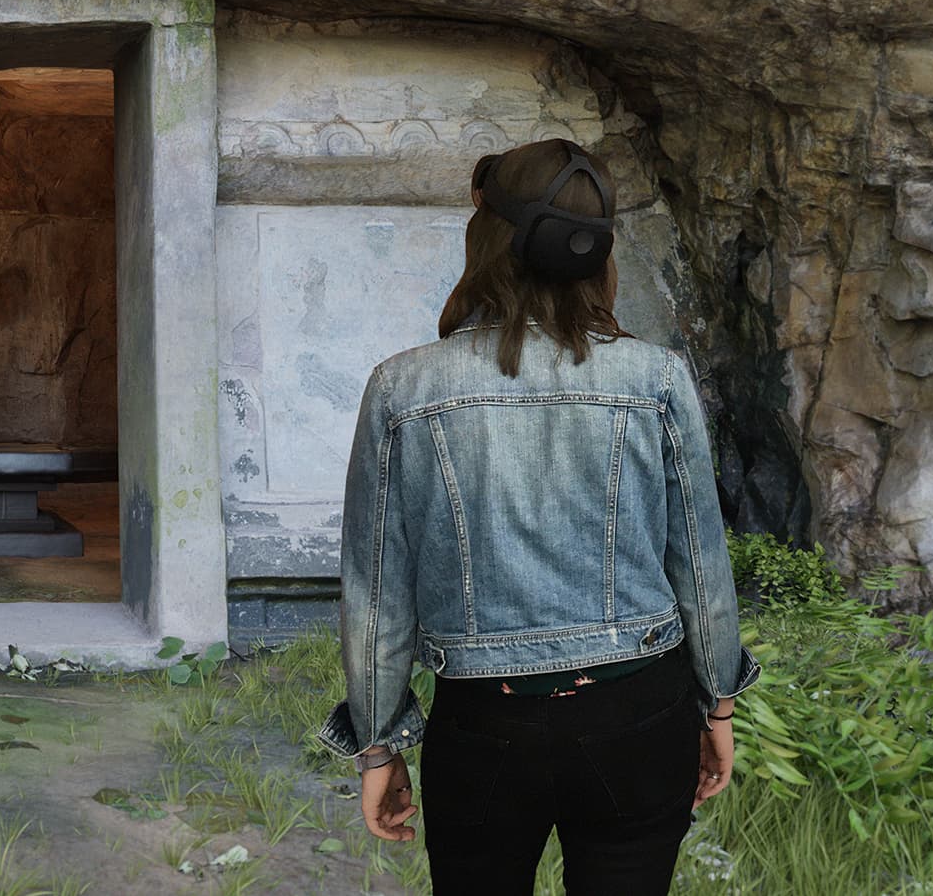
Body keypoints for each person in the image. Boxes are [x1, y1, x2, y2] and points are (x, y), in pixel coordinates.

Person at [319, 139, 758, 895]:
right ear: (598, 250)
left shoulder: (401, 389)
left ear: (486, 238)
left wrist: (378, 747)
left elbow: (375, 596)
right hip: (640, 717)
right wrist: (716, 700)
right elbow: (701, 562)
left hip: (484, 728)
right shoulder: (655, 378)